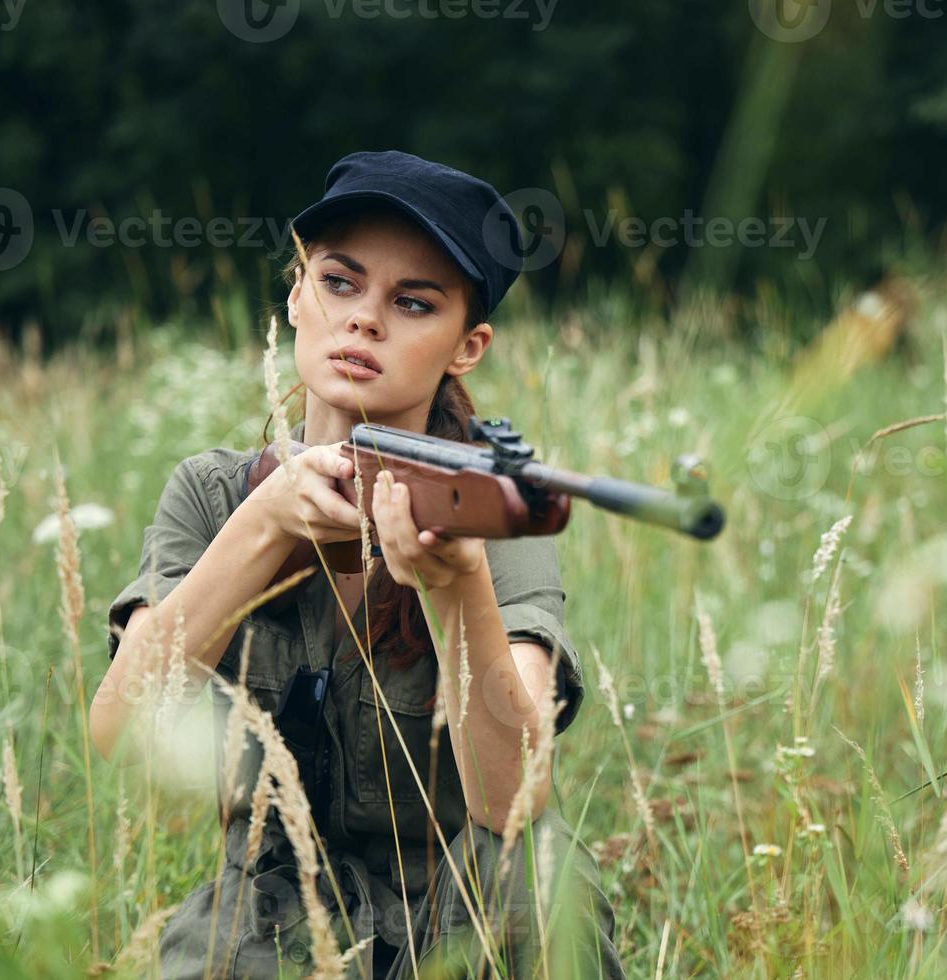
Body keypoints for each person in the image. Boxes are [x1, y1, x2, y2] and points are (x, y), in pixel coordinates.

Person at [89, 150, 624, 979]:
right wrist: (263, 525)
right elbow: (117, 729)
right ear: (297, 293)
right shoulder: (211, 493)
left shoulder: (491, 510)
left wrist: (459, 591)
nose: (366, 320)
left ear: (466, 345)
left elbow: (509, 799)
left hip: (463, 886)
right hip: (274, 899)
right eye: (341, 283)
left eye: (414, 303)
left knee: (540, 877)